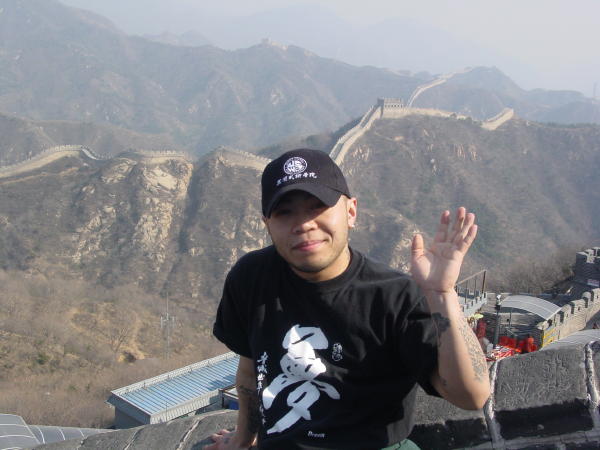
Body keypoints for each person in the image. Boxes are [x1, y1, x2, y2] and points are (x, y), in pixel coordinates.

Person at [209, 149, 490, 450]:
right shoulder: (251, 277)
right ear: (267, 224)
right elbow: (251, 368)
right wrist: (242, 439)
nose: (303, 224)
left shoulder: (394, 296)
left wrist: (442, 294)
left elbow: (470, 397)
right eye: (284, 212)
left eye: (317, 207)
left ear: (351, 212)